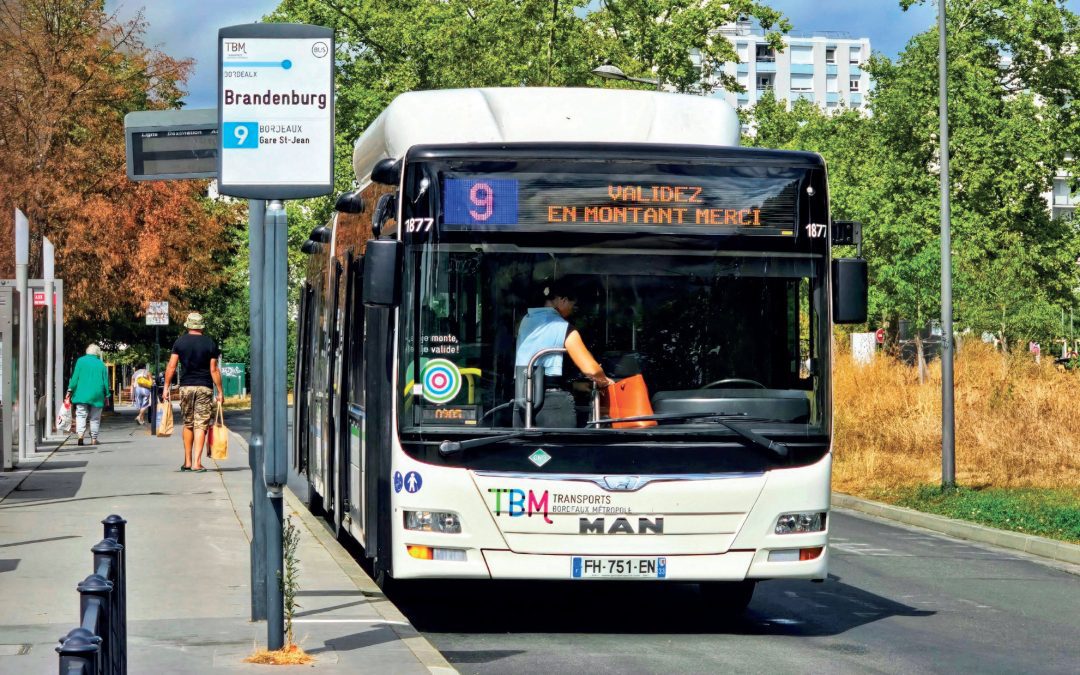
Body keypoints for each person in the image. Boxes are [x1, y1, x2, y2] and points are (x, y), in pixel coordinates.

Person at [514, 279, 614, 427]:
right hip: (553, 407)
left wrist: (577, 386)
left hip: (521, 401)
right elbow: (591, 369)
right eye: (573, 304)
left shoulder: (524, 322)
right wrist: (604, 380)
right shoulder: (563, 327)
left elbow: (540, 370)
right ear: (563, 300)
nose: (573, 309)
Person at [162, 312, 224, 472]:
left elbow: (171, 366)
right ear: (202, 326)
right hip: (204, 386)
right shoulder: (210, 343)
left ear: (188, 325)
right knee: (201, 424)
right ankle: (197, 463)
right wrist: (220, 391)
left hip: (186, 387)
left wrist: (166, 387)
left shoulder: (179, 342)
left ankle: (187, 462)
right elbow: (214, 369)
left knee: (188, 423)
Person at [66, 344, 111, 446]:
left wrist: (70, 390)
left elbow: (75, 377)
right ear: (97, 353)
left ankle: (80, 435)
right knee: (95, 418)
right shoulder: (101, 364)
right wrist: (107, 395)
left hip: (81, 394)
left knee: (81, 415)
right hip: (97, 394)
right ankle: (94, 439)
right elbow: (105, 382)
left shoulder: (80, 361)